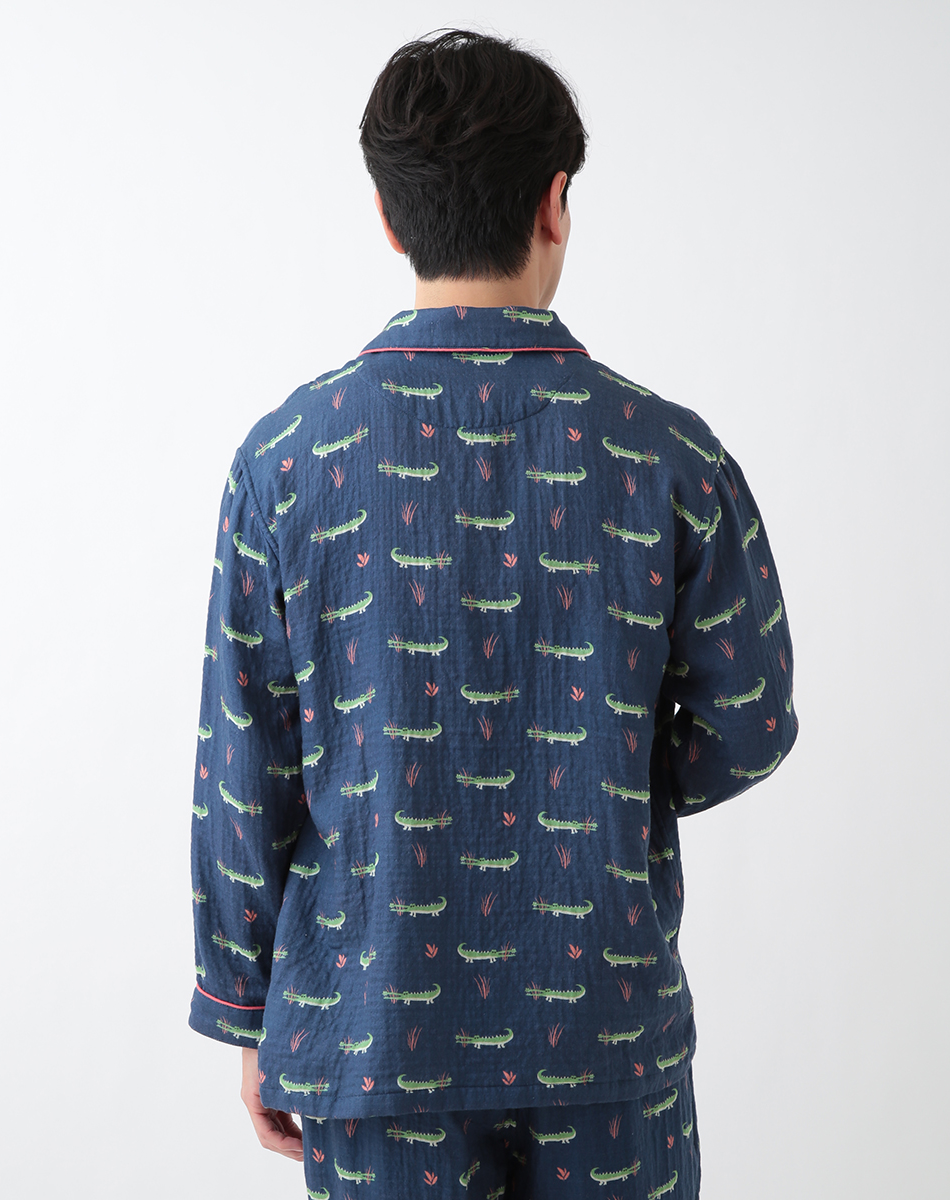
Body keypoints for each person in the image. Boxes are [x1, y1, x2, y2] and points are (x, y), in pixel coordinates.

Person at [187, 28, 797, 1199]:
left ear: (387, 215)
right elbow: (752, 720)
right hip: (607, 1036)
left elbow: (243, 768)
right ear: (556, 203)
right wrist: (606, 776)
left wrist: (245, 1009)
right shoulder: (670, 455)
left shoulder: (284, 461)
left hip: (370, 1041)